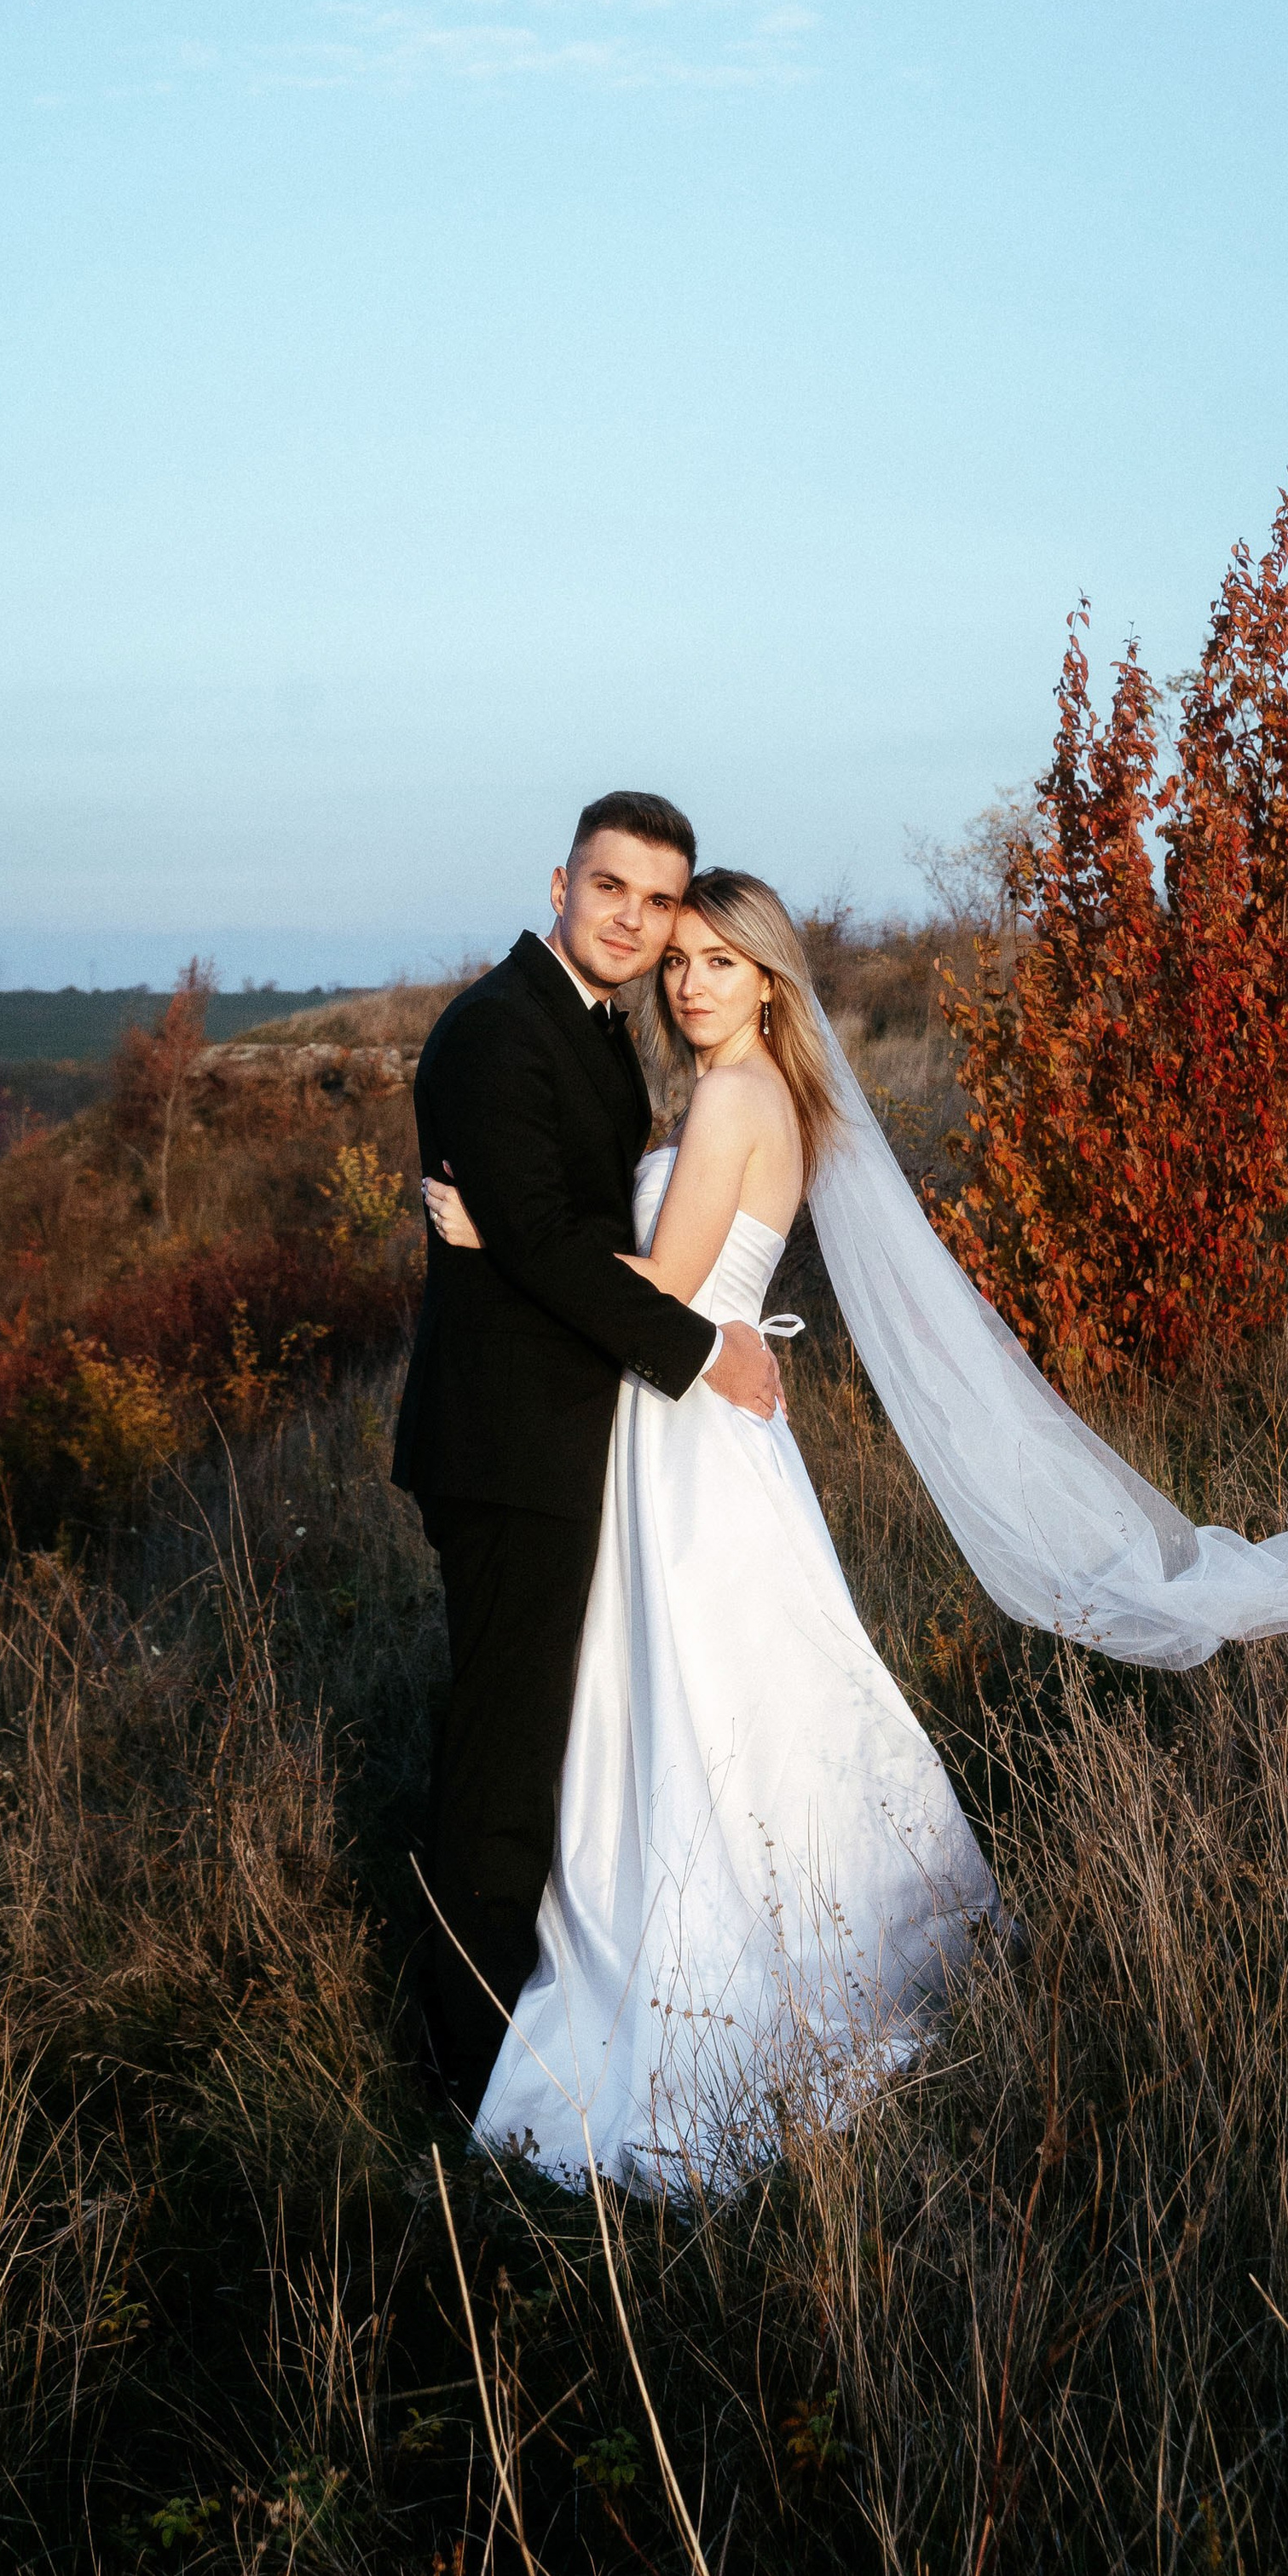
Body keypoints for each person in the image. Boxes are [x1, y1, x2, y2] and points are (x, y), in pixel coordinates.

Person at [419, 867, 1288, 2192]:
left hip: (688, 1442)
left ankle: (736, 1966)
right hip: (695, 1425)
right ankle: (823, 1922)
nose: (690, 984)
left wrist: (491, 1239)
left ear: (769, 981)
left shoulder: (740, 1097)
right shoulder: (754, 1095)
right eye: (680, 962)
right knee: (742, 1690)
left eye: (719, 962)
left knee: (712, 1698)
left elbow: (664, 1287)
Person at [391, 793, 783, 2119]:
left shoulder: (605, 1036)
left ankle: (533, 2005)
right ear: (561, 882)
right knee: (503, 1763)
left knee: (561, 1743)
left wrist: (512, 1242)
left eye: (661, 902)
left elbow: (557, 1233)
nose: (635, 920)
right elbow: (556, 1247)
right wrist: (702, 1349)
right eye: (612, 890)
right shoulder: (499, 1032)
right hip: (508, 1449)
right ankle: (464, 2066)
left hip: (581, 1444)